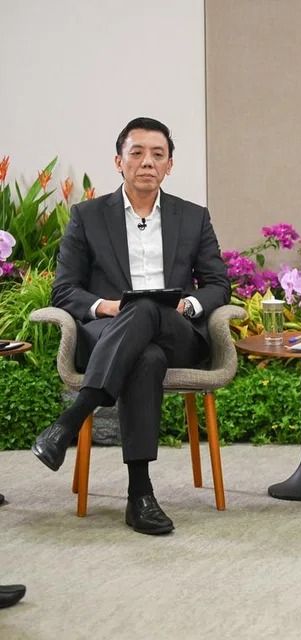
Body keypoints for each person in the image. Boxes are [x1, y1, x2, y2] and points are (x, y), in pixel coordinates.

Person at [32, 117, 230, 535]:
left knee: (147, 311)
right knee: (145, 350)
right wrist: (107, 307)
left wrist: (186, 305)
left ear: (170, 166)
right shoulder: (87, 216)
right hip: (111, 335)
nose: (147, 162)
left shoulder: (193, 217)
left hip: (179, 333)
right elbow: (64, 291)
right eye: (136, 153)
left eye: (158, 155)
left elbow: (217, 285)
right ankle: (140, 495)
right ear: (118, 161)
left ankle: (72, 418)